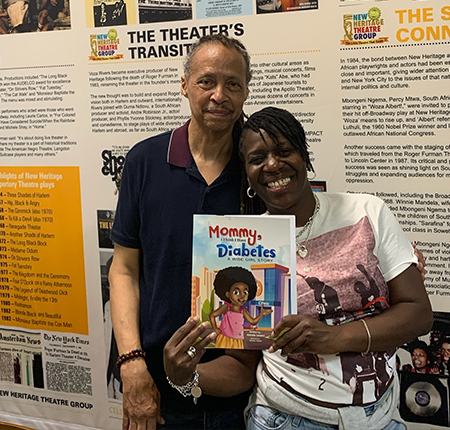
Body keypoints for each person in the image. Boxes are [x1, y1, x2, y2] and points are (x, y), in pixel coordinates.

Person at [164, 107, 432, 430]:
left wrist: (335, 337)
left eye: (284, 151)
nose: (272, 164)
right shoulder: (244, 245)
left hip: (382, 418)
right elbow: (243, 367)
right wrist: (186, 376)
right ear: (247, 175)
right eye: (257, 158)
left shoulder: (366, 211)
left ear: (305, 156)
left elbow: (419, 314)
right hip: (286, 420)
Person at [109, 34, 257, 430]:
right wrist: (131, 363)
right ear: (185, 85)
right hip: (153, 386)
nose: (219, 95)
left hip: (234, 389)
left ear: (246, 91)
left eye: (233, 84)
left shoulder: (257, 169)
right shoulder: (145, 161)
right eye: (207, 81)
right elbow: (123, 269)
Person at [209, 267, 272, 349]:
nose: (242, 295)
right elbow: (212, 315)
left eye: (245, 292)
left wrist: (261, 314)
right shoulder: (226, 307)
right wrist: (215, 328)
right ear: (228, 294)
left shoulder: (243, 311)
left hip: (238, 341)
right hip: (225, 338)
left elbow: (253, 322)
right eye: (236, 292)